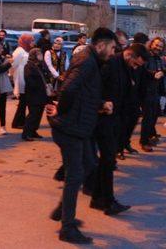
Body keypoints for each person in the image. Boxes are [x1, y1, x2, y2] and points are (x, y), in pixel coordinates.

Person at [48, 28, 117, 244]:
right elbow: (68, 90)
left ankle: (62, 211)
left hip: (80, 126)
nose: (114, 52)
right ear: (100, 45)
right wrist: (62, 111)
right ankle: (67, 228)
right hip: (71, 128)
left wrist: (99, 104)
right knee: (75, 175)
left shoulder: (91, 61)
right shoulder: (87, 61)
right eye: (113, 48)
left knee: (89, 165)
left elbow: (83, 95)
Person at [91, 43, 148, 216]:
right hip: (103, 118)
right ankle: (108, 202)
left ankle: (97, 198)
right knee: (108, 160)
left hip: (115, 118)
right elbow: (95, 89)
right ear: (129, 54)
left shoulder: (128, 68)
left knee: (106, 161)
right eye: (136, 63)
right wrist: (101, 104)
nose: (136, 67)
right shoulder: (110, 64)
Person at [140, 37, 165, 151]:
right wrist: (153, 74)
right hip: (145, 91)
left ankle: (150, 136)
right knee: (148, 117)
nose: (158, 48)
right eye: (156, 45)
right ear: (151, 44)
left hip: (155, 91)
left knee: (154, 115)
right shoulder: (146, 57)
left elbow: (160, 72)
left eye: (160, 46)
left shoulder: (158, 58)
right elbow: (141, 71)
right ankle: (144, 141)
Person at [22, 48, 51, 141]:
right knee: (33, 114)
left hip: (41, 94)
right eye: (38, 54)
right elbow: (29, 80)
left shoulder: (40, 65)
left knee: (38, 114)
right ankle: (26, 133)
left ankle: (33, 131)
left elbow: (46, 75)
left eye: (40, 54)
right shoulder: (29, 66)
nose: (40, 56)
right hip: (33, 94)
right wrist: (38, 86)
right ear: (34, 55)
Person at [10, 33, 34, 129]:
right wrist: (12, 76)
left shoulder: (26, 50)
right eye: (31, 40)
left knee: (24, 102)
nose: (33, 42)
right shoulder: (19, 51)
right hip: (21, 78)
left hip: (25, 77)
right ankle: (17, 122)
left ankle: (20, 122)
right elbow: (13, 65)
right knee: (23, 101)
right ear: (26, 41)